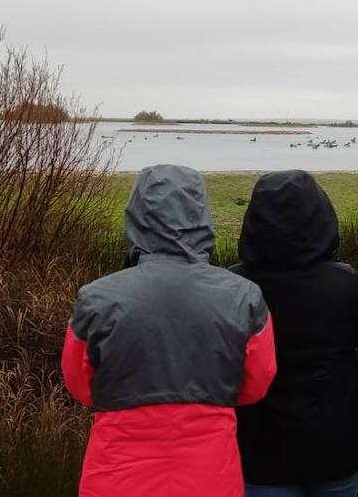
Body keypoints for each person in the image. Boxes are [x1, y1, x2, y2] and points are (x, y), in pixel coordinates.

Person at [61, 164, 277, 497]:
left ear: (135, 216)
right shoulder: (243, 296)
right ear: (202, 216)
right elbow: (256, 384)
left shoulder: (96, 298)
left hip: (117, 474)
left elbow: (80, 385)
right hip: (210, 474)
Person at [231, 170, 358, 497]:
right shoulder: (343, 285)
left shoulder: (233, 287)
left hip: (259, 451)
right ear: (321, 218)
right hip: (335, 447)